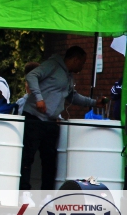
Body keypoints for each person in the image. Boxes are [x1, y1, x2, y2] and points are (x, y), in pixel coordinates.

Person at [20, 47, 103, 190]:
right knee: (27, 157)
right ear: (75, 59)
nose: (82, 67)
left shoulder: (69, 77)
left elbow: (72, 96)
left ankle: (46, 194)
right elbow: (32, 76)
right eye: (82, 63)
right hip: (34, 116)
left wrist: (94, 102)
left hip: (51, 121)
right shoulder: (52, 65)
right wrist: (39, 99)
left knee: (50, 161)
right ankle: (24, 192)